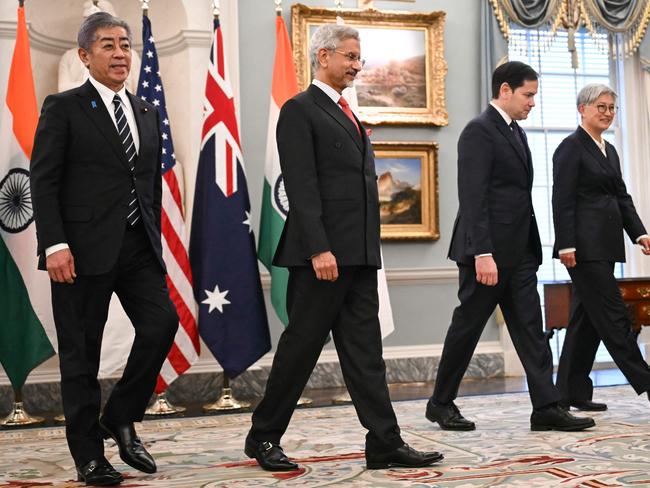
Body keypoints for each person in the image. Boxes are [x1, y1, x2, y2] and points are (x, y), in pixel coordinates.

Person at [245, 24, 443, 472]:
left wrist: (368, 251)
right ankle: (262, 438)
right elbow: (302, 184)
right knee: (300, 351)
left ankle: (385, 442)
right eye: (351, 57)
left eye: (360, 58)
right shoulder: (300, 109)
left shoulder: (347, 111)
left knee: (365, 351)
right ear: (324, 57)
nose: (358, 65)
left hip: (359, 256)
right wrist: (319, 249)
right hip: (323, 257)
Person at [30, 12, 178, 486]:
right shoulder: (64, 107)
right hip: (79, 252)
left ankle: (120, 414)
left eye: (125, 45)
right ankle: (89, 457)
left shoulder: (147, 111)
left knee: (161, 325)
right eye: (108, 45)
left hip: (137, 248)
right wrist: (54, 243)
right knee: (81, 358)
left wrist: (156, 244)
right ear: (85, 55)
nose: (120, 54)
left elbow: (148, 188)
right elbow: (44, 180)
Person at [425, 61, 595, 432]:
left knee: (532, 331)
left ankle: (547, 407)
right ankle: (440, 403)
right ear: (505, 90)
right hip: (487, 255)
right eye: (528, 94)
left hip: (519, 255)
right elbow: (473, 197)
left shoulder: (515, 132)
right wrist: (483, 253)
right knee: (466, 330)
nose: (533, 102)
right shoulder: (478, 131)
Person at [552, 83, 650, 411]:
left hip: (606, 246)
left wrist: (639, 234)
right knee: (613, 316)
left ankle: (569, 392)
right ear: (583, 109)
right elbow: (562, 199)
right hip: (582, 248)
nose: (607, 113)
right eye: (601, 107)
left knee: (586, 320)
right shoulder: (570, 147)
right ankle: (647, 383)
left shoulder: (610, 150)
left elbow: (621, 196)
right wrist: (565, 243)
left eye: (612, 108)